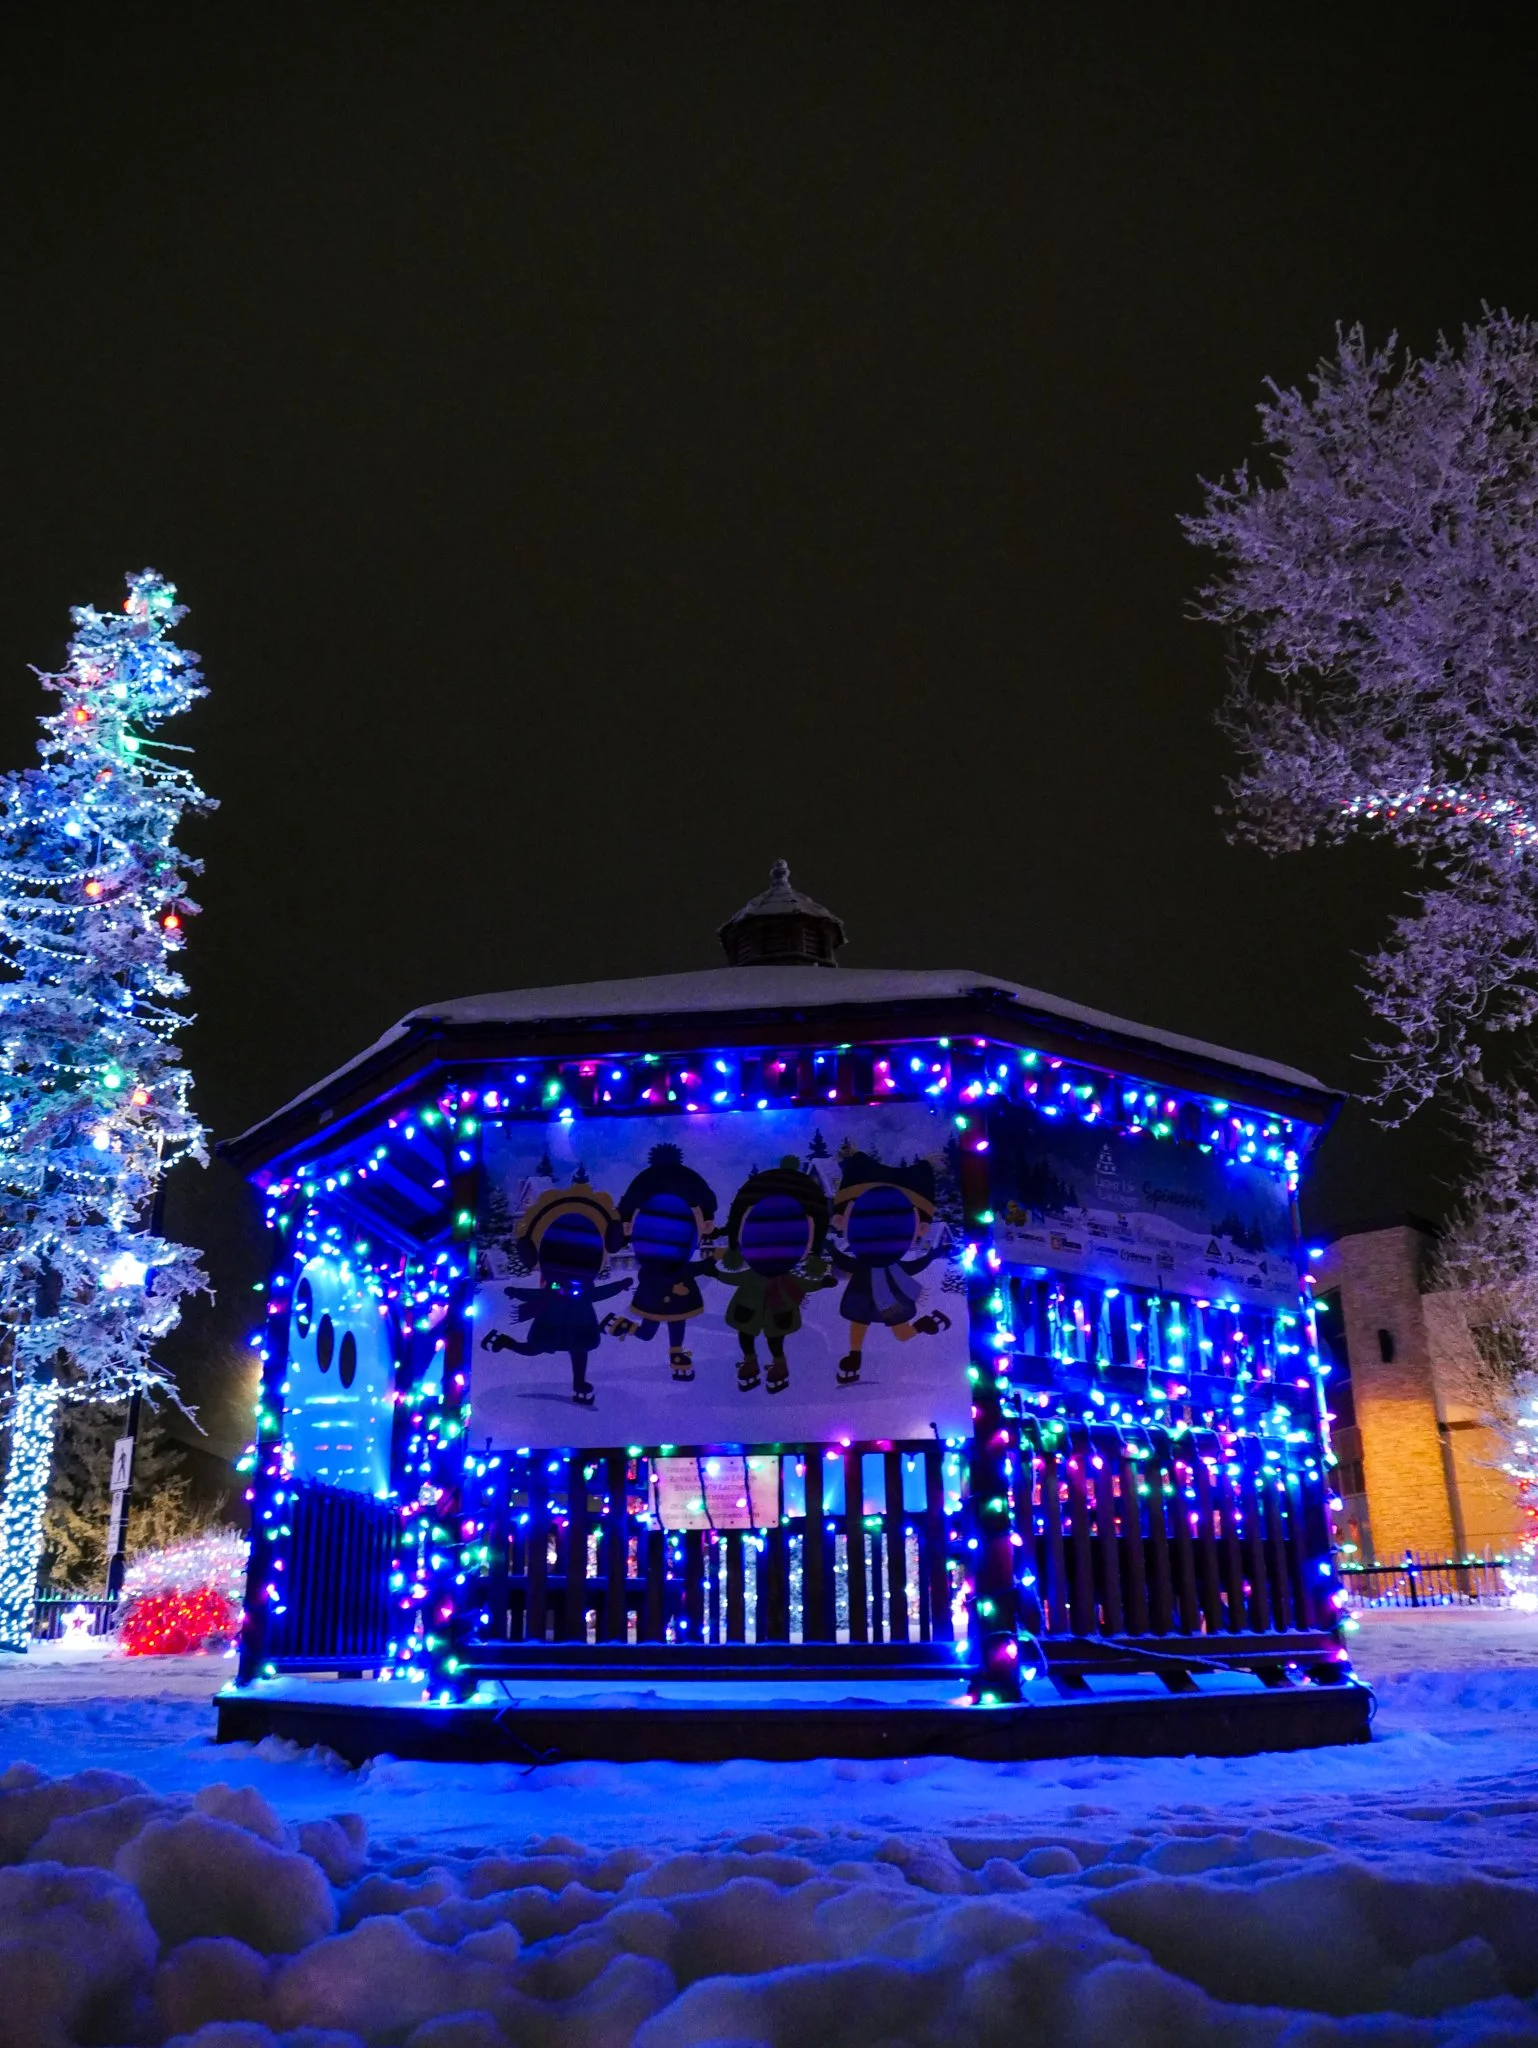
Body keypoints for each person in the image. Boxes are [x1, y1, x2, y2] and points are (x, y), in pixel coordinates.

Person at [480, 1185, 629, 1405]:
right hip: (551, 1323)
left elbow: (599, 1293)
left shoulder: (581, 1290)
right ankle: (503, 1341)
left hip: (576, 1326)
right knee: (532, 1349)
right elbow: (538, 1296)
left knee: (579, 1352)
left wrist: (621, 1285)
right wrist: (516, 1291)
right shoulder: (553, 1289)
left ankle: (579, 1383)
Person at [828, 1153, 950, 1385]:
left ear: (921, 1228)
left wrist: (932, 1255)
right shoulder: (873, 1262)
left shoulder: (889, 1265)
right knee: (859, 1323)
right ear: (841, 1221)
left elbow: (912, 1266)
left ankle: (923, 1325)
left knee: (899, 1333)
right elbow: (846, 1263)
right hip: (863, 1296)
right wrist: (832, 1251)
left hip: (885, 1297)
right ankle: (855, 1356)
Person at [714, 1157, 833, 1395]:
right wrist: (713, 1270)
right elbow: (732, 1278)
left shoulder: (785, 1276)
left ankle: (778, 1363)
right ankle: (750, 1360)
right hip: (751, 1312)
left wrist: (822, 1282)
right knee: (747, 1336)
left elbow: (804, 1283)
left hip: (775, 1314)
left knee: (774, 1339)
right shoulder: (752, 1274)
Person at [601, 1142, 719, 1381]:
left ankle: (676, 1355)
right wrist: (674, 1283)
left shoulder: (679, 1258)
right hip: (656, 1299)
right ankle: (620, 1326)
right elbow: (651, 1276)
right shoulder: (652, 1265)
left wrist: (709, 1264)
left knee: (677, 1328)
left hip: (675, 1300)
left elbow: (691, 1268)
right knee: (647, 1333)